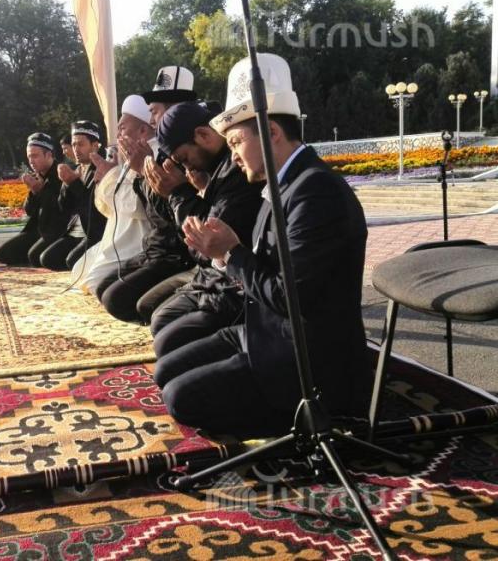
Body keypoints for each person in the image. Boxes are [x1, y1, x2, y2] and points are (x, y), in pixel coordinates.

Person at [155, 53, 371, 439]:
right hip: (265, 332)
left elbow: (292, 298)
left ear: (271, 132)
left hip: (304, 358)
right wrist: (224, 252)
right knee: (165, 370)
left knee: (179, 398)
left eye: (236, 142)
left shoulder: (315, 192)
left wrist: (230, 253)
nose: (234, 155)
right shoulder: (283, 183)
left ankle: (320, 419)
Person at [145, 102, 263, 358]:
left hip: (234, 287)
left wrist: (180, 193)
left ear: (203, 135)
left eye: (185, 159)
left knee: (167, 337)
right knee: (156, 315)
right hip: (214, 278)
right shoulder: (216, 168)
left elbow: (207, 243)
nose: (188, 169)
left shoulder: (238, 171)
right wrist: (195, 192)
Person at [93, 68, 200, 323]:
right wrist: (142, 174)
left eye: (155, 112)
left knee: (119, 300)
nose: (152, 121)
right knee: (103, 287)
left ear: (175, 111)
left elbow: (173, 219)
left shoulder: (188, 153)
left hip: (176, 255)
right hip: (154, 248)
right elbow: (154, 212)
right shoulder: (158, 152)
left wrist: (144, 172)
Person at [72, 95, 154, 293]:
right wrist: (108, 177)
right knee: (78, 271)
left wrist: (110, 175)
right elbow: (109, 209)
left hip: (137, 241)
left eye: (122, 128)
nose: (118, 135)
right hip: (118, 236)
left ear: (143, 131)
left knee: (96, 283)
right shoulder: (130, 156)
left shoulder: (153, 156)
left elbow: (136, 206)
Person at [0, 133, 75, 267]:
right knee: (3, 253)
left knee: (36, 257)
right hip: (38, 230)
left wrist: (41, 191)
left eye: (35, 156)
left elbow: (61, 209)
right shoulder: (37, 176)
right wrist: (33, 192)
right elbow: (29, 211)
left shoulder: (62, 174)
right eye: (29, 157)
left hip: (58, 230)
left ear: (48, 155)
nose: (31, 161)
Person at [45, 121, 108, 271]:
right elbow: (63, 208)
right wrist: (67, 184)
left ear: (95, 146)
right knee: (47, 259)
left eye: (81, 144)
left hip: (95, 233)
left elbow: (95, 210)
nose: (76, 149)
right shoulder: (76, 169)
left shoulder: (102, 169)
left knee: (72, 261)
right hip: (75, 232)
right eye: (73, 145)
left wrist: (74, 183)